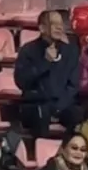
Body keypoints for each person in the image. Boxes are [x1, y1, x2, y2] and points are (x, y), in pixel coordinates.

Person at [14, 9, 83, 138]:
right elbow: (22, 82)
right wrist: (45, 62)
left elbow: (74, 84)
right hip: (36, 103)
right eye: (54, 24)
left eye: (61, 24)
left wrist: (59, 107)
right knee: (40, 114)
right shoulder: (28, 50)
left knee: (78, 116)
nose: (59, 27)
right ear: (42, 28)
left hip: (62, 103)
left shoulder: (71, 51)